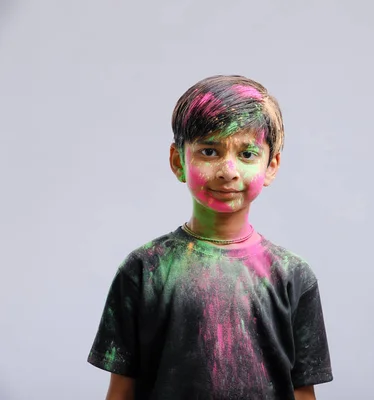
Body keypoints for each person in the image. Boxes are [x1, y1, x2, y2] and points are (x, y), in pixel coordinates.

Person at [87, 75, 333, 399]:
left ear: (271, 165)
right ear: (179, 161)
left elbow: (302, 391)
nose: (227, 171)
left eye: (246, 154)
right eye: (209, 151)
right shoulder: (144, 270)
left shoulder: (292, 274)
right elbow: (122, 390)